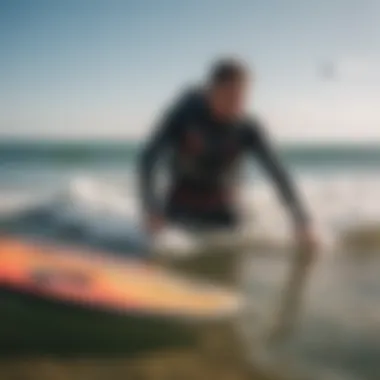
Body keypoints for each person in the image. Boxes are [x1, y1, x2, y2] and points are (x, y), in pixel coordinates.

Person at [138, 57, 317, 255]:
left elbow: (278, 173)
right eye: (231, 96)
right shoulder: (185, 114)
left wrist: (302, 221)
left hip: (223, 207)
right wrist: (151, 208)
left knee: (230, 257)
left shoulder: (248, 127)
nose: (237, 104)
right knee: (171, 253)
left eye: (242, 96)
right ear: (212, 90)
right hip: (182, 204)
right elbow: (148, 159)